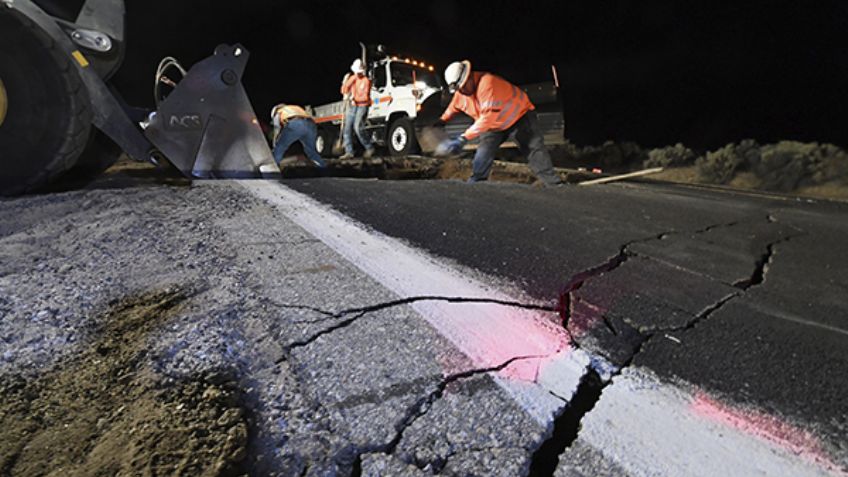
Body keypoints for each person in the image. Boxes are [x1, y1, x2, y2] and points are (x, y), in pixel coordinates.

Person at [435, 60, 562, 186]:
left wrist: (462, 139)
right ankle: (476, 183)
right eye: (458, 89)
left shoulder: (487, 83)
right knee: (484, 150)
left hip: (520, 116)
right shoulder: (461, 92)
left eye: (462, 87)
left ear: (469, 77)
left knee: (533, 148)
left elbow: (487, 118)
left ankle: (554, 184)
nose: (461, 91)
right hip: (495, 125)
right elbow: (454, 106)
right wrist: (442, 120)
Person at [270, 103, 326, 169]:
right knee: (311, 151)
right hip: (311, 124)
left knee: (280, 147)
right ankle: (323, 167)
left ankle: (273, 168)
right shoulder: (295, 107)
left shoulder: (279, 112)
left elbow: (277, 128)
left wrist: (275, 143)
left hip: (296, 124)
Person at [340, 58, 375, 160]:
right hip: (353, 105)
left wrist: (353, 98)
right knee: (347, 128)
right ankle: (349, 152)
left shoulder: (366, 81)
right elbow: (344, 90)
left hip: (363, 105)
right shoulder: (353, 78)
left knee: (358, 127)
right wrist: (346, 85)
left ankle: (369, 147)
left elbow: (364, 97)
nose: (358, 74)